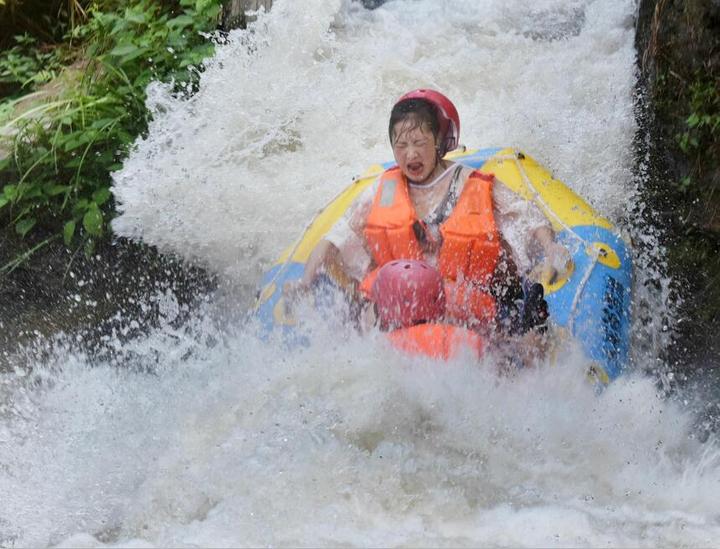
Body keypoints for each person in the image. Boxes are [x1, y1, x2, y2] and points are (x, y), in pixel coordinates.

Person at [286, 89, 571, 342]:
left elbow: (526, 216)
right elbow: (333, 239)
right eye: (401, 145)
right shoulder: (381, 191)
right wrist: (306, 282)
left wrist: (550, 247)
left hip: (464, 307)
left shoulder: (469, 182)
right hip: (400, 310)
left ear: (438, 141)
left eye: (419, 142)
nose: (411, 154)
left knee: (529, 331)